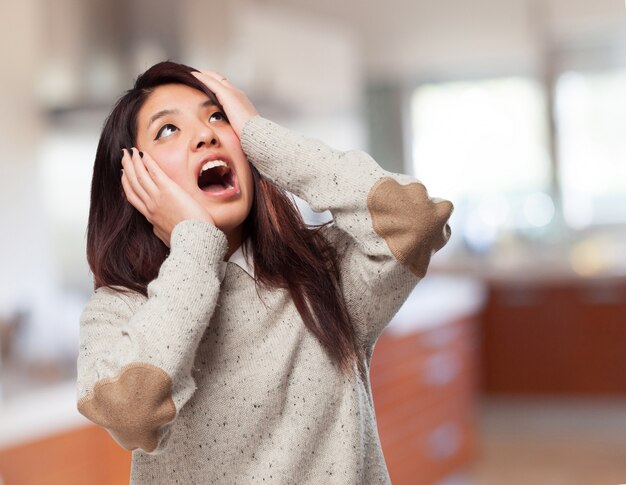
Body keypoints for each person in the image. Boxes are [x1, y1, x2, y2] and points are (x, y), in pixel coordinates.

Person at [77, 60, 453, 484]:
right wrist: (194, 243)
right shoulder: (117, 310)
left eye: (218, 115)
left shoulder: (324, 274)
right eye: (168, 129)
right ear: (132, 179)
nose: (206, 134)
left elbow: (416, 220)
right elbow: (131, 413)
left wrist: (259, 134)